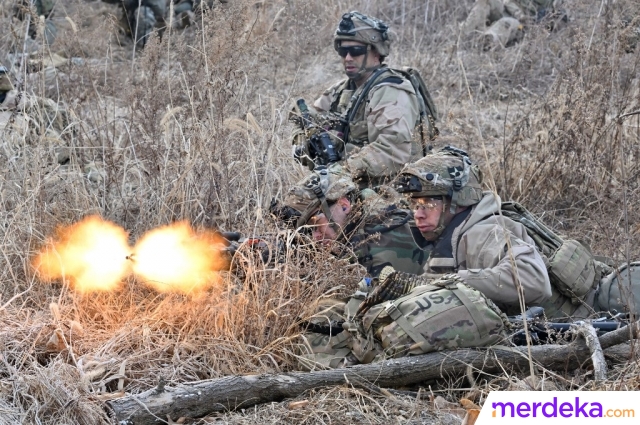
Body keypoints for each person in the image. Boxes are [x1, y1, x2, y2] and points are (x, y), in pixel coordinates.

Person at [291, 11, 435, 189]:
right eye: (343, 51)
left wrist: (342, 170)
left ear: (377, 52)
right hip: (347, 187)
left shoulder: (391, 91)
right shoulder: (341, 90)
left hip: (389, 192)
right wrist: (305, 146)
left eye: (356, 51)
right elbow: (309, 123)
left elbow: (393, 151)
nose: (348, 58)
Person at [461, 0, 567, 48]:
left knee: (507, 23)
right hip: (508, 11)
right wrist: (518, 13)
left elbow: (561, 21)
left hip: (522, 26)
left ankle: (484, 42)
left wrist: (540, 27)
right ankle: (464, 37)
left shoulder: (554, 2)